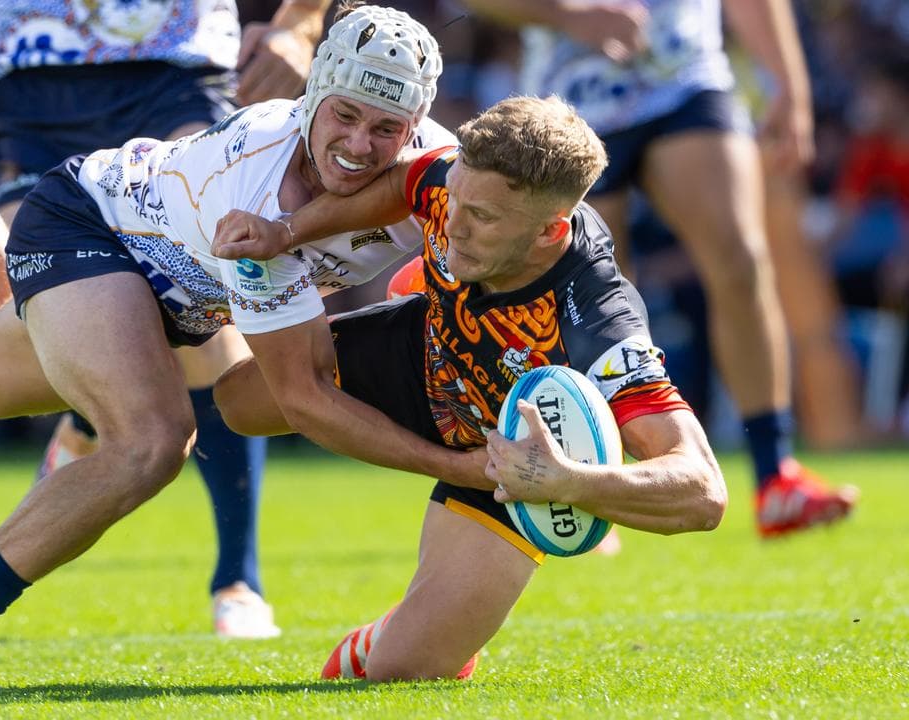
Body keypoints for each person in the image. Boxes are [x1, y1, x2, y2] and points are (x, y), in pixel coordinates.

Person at [0, 4, 470, 689]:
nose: (358, 143)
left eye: (386, 129)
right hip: (87, 224)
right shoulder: (254, 195)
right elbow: (303, 398)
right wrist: (460, 466)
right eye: (343, 115)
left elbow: (480, 201)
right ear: (312, 96)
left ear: (416, 130)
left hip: (172, 292)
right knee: (151, 440)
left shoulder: (438, 169)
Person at [209, 95, 727, 681]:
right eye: (454, 199)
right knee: (236, 403)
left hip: (510, 452)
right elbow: (407, 182)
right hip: (426, 349)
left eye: (480, 217)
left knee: (400, 670)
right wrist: (286, 231)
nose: (452, 224)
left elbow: (703, 492)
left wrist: (570, 481)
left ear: (549, 232)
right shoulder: (461, 179)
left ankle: (398, 634)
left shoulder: (601, 322)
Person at [0, 0, 332, 638]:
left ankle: (239, 578)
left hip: (176, 70)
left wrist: (297, 25)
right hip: (34, 79)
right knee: (33, 327)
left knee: (204, 300)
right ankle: (90, 411)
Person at [457, 0, 857, 537]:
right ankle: (590, 478)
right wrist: (571, 16)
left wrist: (789, 81)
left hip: (686, 77)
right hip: (571, 98)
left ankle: (775, 475)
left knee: (741, 260)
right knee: (589, 294)